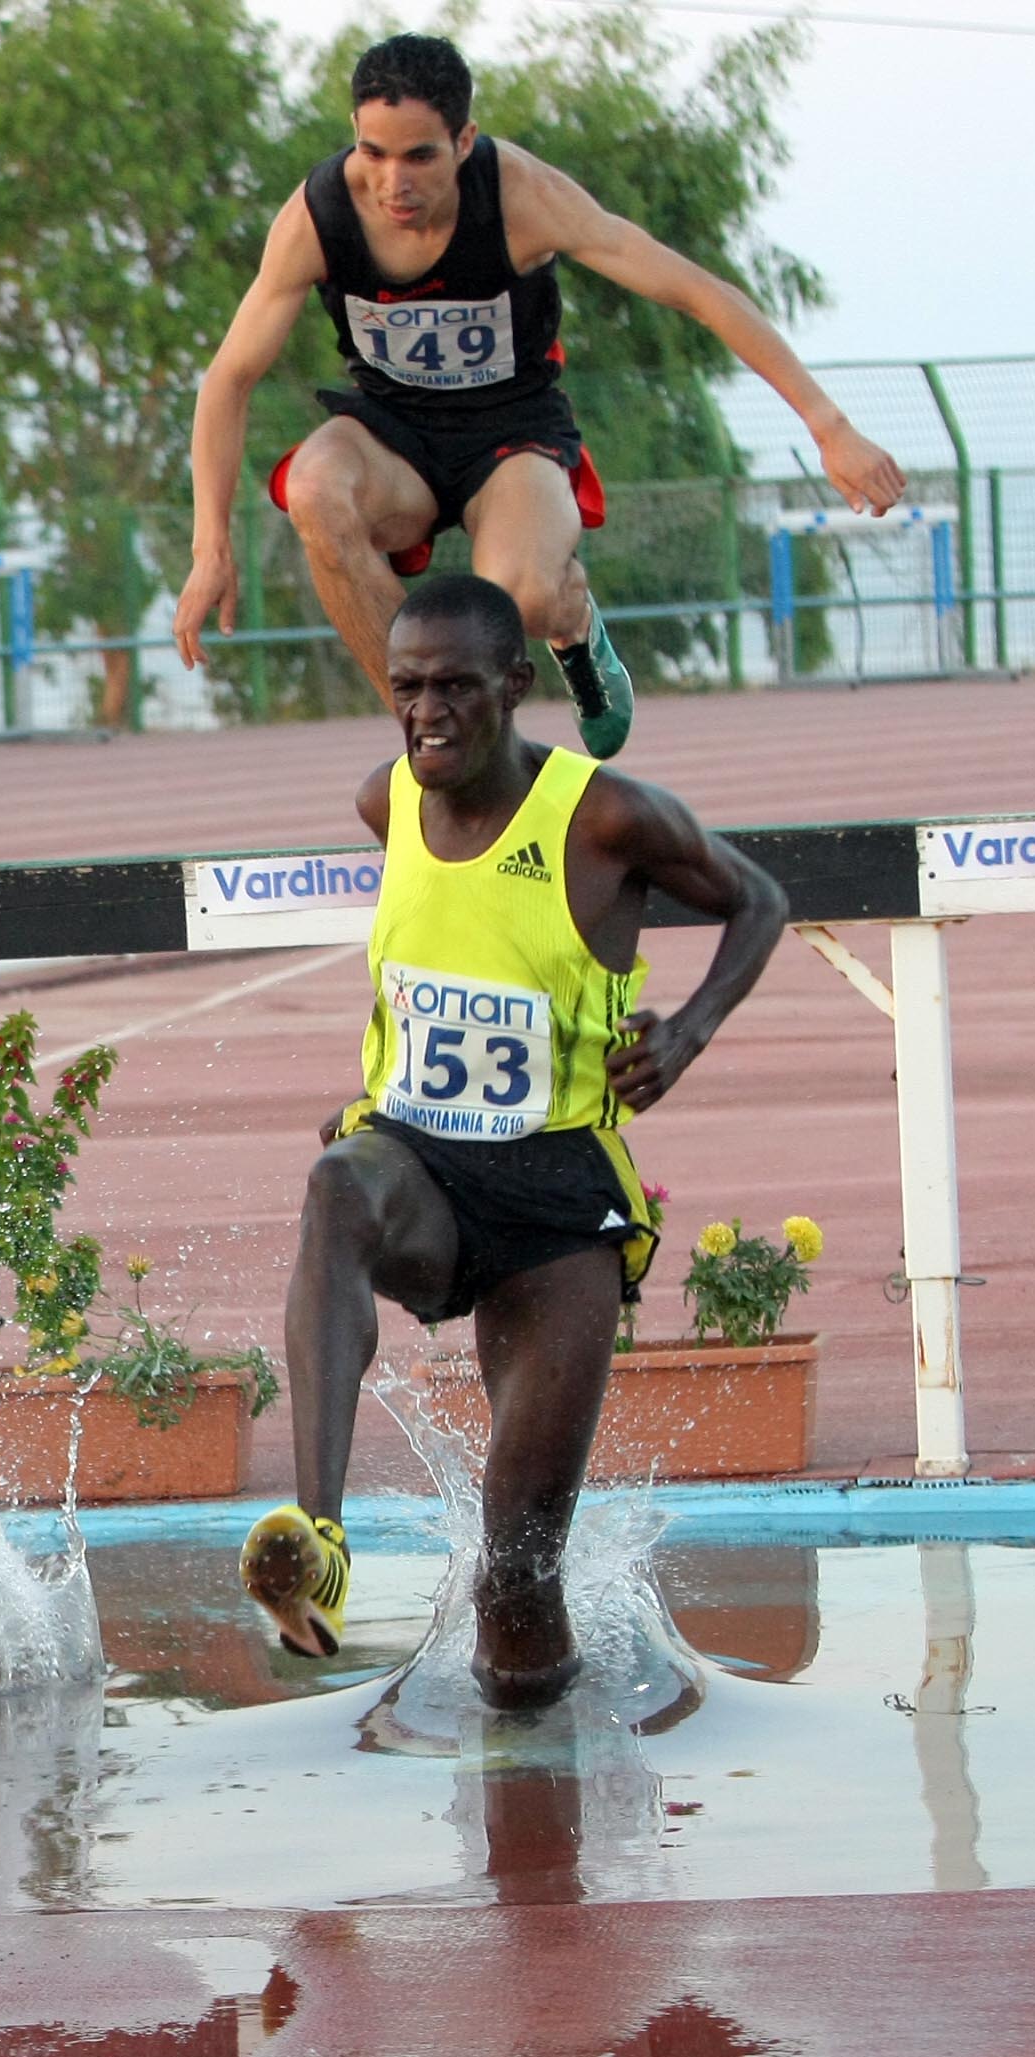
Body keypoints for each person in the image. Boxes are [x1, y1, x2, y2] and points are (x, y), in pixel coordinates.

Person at [239, 573, 784, 1709]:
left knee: (518, 1574)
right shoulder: (386, 803)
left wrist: (683, 1033)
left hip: (556, 1200)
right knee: (337, 1183)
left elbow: (760, 900)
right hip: (418, 1162)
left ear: (515, 688)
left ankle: (547, 1810)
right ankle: (321, 1538)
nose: (426, 714)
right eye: (406, 689)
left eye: (454, 689)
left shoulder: (605, 815)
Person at [172, 30, 906, 760]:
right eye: (374, 153)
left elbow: (700, 294)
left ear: (464, 141)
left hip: (510, 435)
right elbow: (230, 378)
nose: (394, 182)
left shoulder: (524, 198)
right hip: (390, 434)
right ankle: (431, 743)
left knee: (508, 606)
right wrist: (211, 549)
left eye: (420, 156)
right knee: (315, 491)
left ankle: (573, 622)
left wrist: (828, 425)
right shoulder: (319, 216)